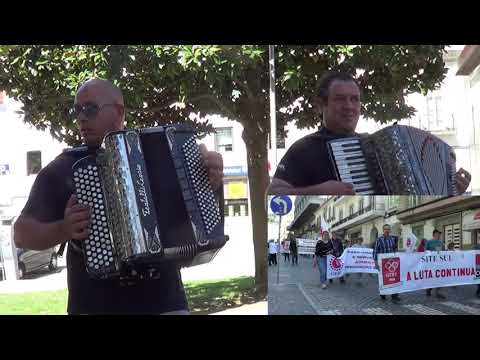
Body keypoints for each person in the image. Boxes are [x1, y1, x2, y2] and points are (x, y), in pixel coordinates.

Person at [13, 79, 224, 315]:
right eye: (77, 110)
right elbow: (22, 234)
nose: (81, 117)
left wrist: (208, 179)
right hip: (96, 307)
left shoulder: (164, 146)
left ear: (119, 111)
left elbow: (194, 216)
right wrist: (64, 229)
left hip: (166, 304)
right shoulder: (63, 168)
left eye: (90, 108)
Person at [267, 71, 472, 196]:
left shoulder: (374, 144)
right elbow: (274, 195)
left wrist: (450, 191)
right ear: (322, 105)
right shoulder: (304, 148)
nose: (349, 106)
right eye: (340, 99)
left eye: (355, 99)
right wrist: (320, 191)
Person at [373, 224, 401, 304]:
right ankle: (383, 294)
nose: (387, 230)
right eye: (385, 229)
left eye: (388, 229)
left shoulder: (392, 239)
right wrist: (376, 263)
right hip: (382, 264)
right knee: (383, 279)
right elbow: (375, 251)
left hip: (392, 263)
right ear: (383, 230)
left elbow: (394, 250)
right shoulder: (379, 240)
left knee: (393, 278)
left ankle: (394, 296)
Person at [425, 229, 447, 300]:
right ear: (434, 234)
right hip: (431, 263)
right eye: (438, 234)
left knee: (439, 278)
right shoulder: (429, 242)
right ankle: (428, 288)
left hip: (439, 263)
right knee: (431, 277)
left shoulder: (441, 243)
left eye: (439, 234)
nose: (439, 235)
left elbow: (444, 252)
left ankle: (438, 293)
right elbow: (425, 252)